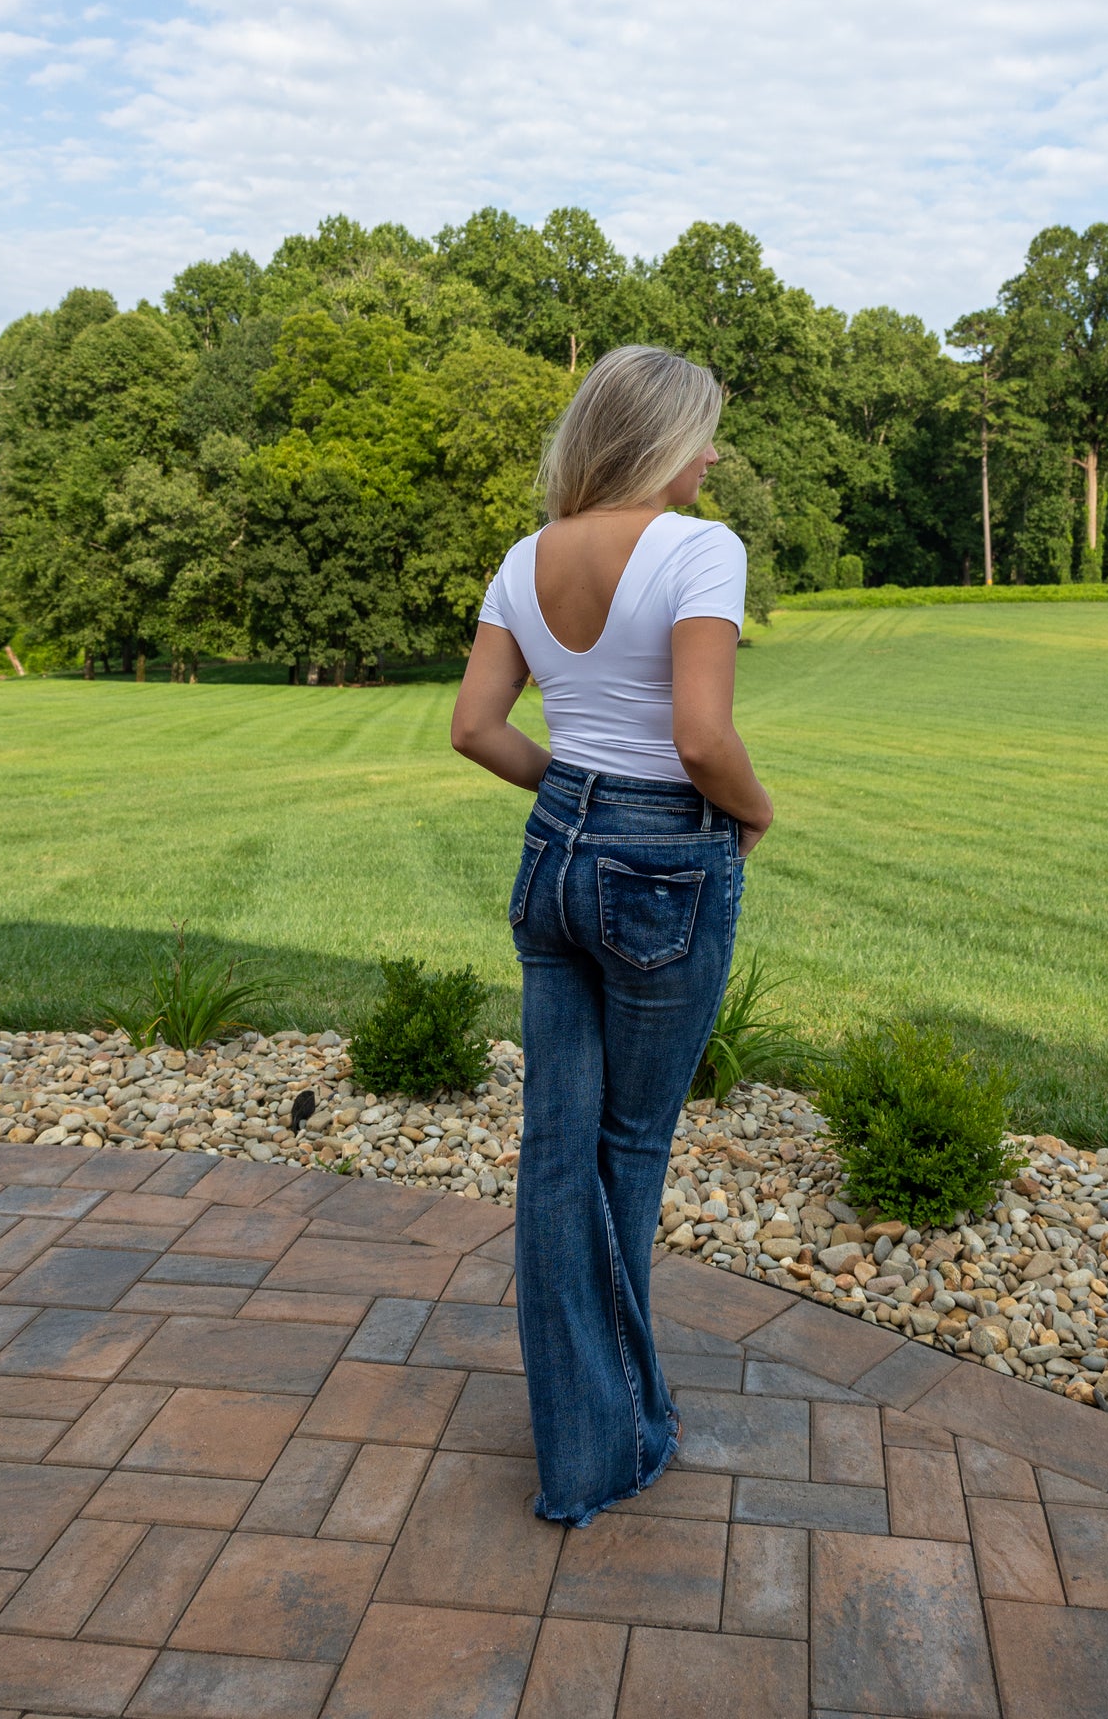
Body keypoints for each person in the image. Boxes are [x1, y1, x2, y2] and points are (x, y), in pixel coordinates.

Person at [450, 344, 773, 1526]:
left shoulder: (523, 560)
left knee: (556, 1152)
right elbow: (700, 737)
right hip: (665, 864)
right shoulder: (701, 548)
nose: (712, 456)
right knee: (628, 1149)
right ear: (665, 443)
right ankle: (616, 1436)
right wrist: (754, 809)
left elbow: (476, 726)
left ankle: (582, 1442)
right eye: (705, 434)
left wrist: (572, 798)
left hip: (555, 854)